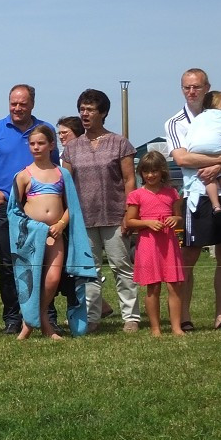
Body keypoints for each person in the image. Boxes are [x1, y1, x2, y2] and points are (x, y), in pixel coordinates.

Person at [0, 85, 58, 334]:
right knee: (9, 263)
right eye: (13, 103)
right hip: (6, 205)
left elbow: (54, 167)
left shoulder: (45, 129)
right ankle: (12, 318)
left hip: (39, 206)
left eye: (22, 104)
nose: (17, 108)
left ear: (32, 104)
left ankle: (47, 315)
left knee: (41, 260)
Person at [164, 68, 221, 332]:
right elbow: (183, 159)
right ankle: (184, 316)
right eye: (186, 87)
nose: (192, 92)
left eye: (196, 87)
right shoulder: (176, 122)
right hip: (196, 193)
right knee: (190, 255)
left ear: (207, 87)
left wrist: (219, 167)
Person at [7, 125, 95, 340]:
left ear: (51, 145)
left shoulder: (61, 173)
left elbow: (71, 206)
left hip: (55, 234)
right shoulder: (23, 176)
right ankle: (42, 324)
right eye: (32, 144)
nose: (36, 147)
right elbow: (14, 210)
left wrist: (62, 224)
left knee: (52, 279)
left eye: (41, 143)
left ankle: (32, 321)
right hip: (31, 236)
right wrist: (33, 227)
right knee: (32, 278)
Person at [61, 89, 139, 333]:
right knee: (89, 271)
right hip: (82, 219)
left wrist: (130, 213)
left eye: (90, 109)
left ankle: (131, 318)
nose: (85, 114)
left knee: (121, 267)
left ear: (103, 112)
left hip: (115, 215)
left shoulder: (120, 143)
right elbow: (65, 183)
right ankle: (92, 317)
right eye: (82, 109)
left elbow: (129, 181)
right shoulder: (72, 148)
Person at [125, 152, 185, 337]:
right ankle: (155, 328)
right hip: (148, 244)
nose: (150, 175)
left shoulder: (172, 193)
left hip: (169, 243)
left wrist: (175, 219)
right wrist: (148, 223)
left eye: (154, 171)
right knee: (153, 287)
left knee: (174, 286)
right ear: (140, 173)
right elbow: (130, 221)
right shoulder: (137, 195)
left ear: (162, 171)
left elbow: (179, 218)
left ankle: (176, 327)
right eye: (146, 172)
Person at [183, 91, 221, 213]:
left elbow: (191, 133)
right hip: (218, 147)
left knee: (208, 178)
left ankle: (216, 205)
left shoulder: (200, 117)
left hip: (198, 149)